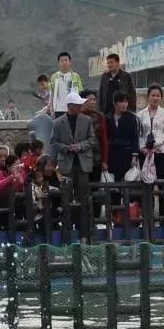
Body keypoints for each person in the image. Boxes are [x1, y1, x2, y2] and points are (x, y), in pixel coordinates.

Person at [50, 92, 96, 240]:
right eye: (77, 104)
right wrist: (66, 148)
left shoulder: (87, 120)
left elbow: (92, 139)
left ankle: (84, 234)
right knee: (66, 198)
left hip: (82, 164)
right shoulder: (57, 122)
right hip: (66, 165)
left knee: (84, 199)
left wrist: (80, 146)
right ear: (70, 106)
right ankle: (67, 234)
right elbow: (54, 142)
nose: (80, 106)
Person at [137, 84, 164, 183]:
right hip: (145, 153)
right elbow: (138, 134)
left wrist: (155, 144)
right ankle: (148, 199)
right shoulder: (140, 114)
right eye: (153, 95)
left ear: (161, 97)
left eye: (158, 95)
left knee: (163, 183)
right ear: (148, 96)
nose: (155, 98)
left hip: (161, 152)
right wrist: (143, 148)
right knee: (147, 183)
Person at [105, 91, 141, 181]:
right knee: (114, 181)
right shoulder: (107, 118)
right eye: (121, 102)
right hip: (112, 154)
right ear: (114, 103)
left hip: (127, 153)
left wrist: (134, 156)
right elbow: (105, 137)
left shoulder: (131, 117)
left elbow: (135, 137)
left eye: (126, 101)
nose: (124, 104)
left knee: (128, 179)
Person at [48, 52, 84, 117]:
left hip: (73, 109)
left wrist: (80, 107)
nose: (64, 62)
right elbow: (51, 94)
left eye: (66, 60)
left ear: (70, 62)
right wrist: (51, 109)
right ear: (58, 63)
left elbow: (80, 92)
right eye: (62, 61)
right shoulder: (54, 77)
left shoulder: (76, 76)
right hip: (58, 109)